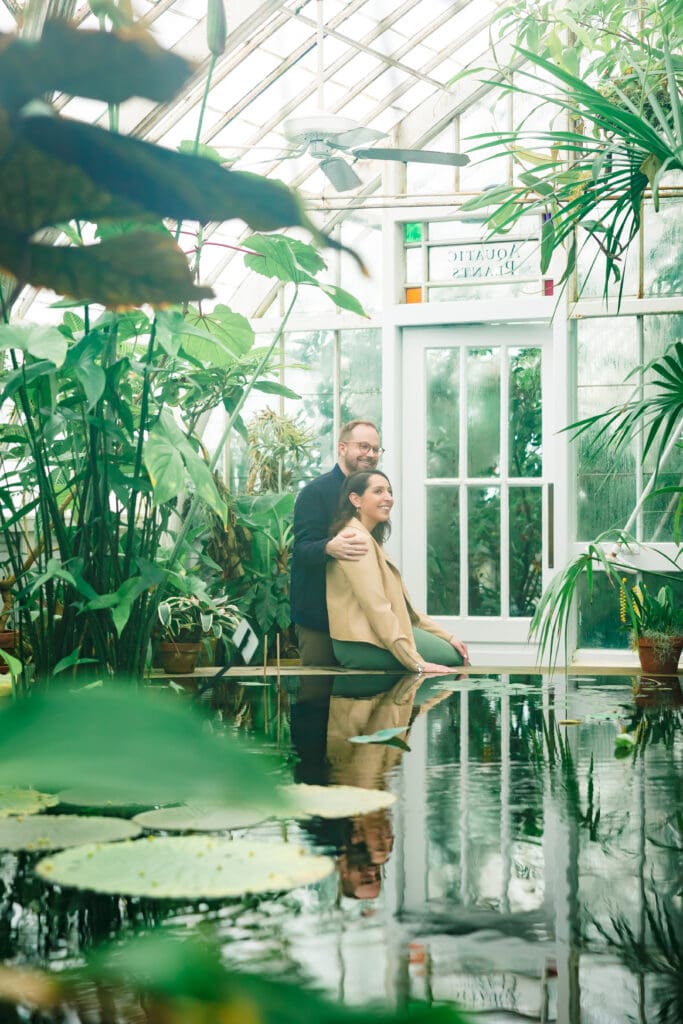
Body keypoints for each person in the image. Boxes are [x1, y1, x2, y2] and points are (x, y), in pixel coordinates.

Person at [326, 470, 469, 673]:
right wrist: (416, 662)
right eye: (378, 491)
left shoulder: (368, 538)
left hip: (374, 635)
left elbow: (404, 609)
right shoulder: (355, 539)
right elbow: (377, 609)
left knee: (455, 652)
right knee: (454, 659)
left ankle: (412, 704)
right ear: (355, 499)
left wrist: (448, 636)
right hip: (362, 643)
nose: (388, 498)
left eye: (390, 491)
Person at [290, 419, 383, 666]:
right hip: (320, 621)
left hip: (360, 618)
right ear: (342, 448)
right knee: (317, 697)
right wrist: (328, 547)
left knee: (358, 699)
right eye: (363, 446)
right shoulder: (315, 492)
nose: (370, 454)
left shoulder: (374, 494)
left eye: (375, 449)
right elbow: (300, 551)